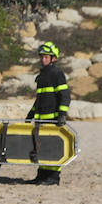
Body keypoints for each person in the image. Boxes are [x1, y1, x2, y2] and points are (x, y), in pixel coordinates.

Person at [28, 42, 71, 185]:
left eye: (46, 57)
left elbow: (65, 95)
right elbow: (39, 99)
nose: (43, 59)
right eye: (42, 57)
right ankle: (41, 176)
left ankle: (53, 177)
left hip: (52, 119)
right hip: (41, 120)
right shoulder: (42, 75)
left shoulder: (57, 74)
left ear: (53, 58)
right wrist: (31, 114)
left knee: (51, 148)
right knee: (41, 147)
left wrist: (62, 115)